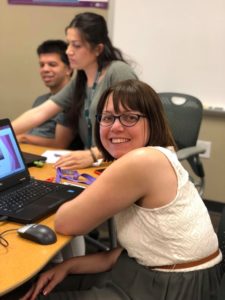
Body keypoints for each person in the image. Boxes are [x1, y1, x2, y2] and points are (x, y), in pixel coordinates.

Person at [21, 79, 222, 300]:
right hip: (150, 268)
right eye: (108, 118)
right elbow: (135, 250)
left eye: (130, 117)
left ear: (152, 122)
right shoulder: (161, 153)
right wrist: (69, 266)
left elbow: (65, 223)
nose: (116, 126)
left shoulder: (142, 161)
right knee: (40, 283)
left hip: (173, 287)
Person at [13, 12, 137, 169]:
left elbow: (133, 130)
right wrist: (5, 134)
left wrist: (94, 154)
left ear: (98, 49)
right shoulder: (81, 78)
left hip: (119, 164)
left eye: (76, 45)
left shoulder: (118, 71)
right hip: (96, 164)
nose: (68, 51)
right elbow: (40, 113)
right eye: (68, 44)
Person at [17, 39, 78, 149]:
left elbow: (60, 144)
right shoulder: (40, 100)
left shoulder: (73, 101)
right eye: (42, 65)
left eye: (52, 64)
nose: (45, 69)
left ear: (69, 69)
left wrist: (23, 138)